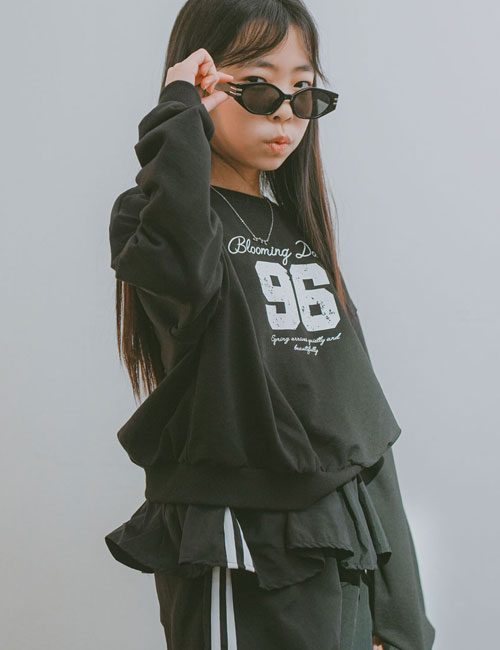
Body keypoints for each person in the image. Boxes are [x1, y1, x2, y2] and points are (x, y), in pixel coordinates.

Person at [104, 1, 436, 649]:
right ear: (204, 82)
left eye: (304, 92)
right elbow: (181, 264)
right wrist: (179, 109)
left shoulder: (304, 239)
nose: (285, 112)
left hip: (340, 552)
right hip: (244, 546)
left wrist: (401, 626)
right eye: (257, 85)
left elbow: (362, 434)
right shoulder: (153, 221)